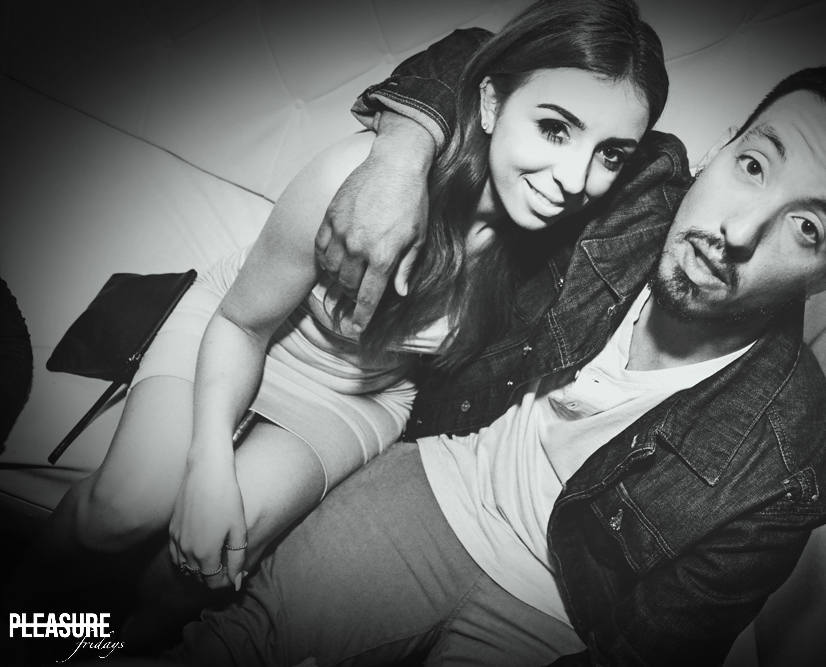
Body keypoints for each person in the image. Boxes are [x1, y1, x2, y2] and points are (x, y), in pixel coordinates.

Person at [165, 30, 826, 667]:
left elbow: (658, 649)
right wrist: (400, 154)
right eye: (755, 166)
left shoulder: (787, 466)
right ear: (722, 146)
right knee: (231, 647)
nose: (736, 231)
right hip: (442, 482)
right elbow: (483, 61)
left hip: (558, 618)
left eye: (808, 227)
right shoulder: (634, 179)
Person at [3, 0, 668, 650]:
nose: (575, 178)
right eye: (554, 129)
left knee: (212, 556)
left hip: (362, 393)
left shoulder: (564, 254)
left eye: (610, 154)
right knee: (125, 506)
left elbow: (678, 197)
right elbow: (241, 325)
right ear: (491, 104)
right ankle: (22, 624)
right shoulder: (363, 179)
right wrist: (209, 464)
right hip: (253, 330)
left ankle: (100, 647)